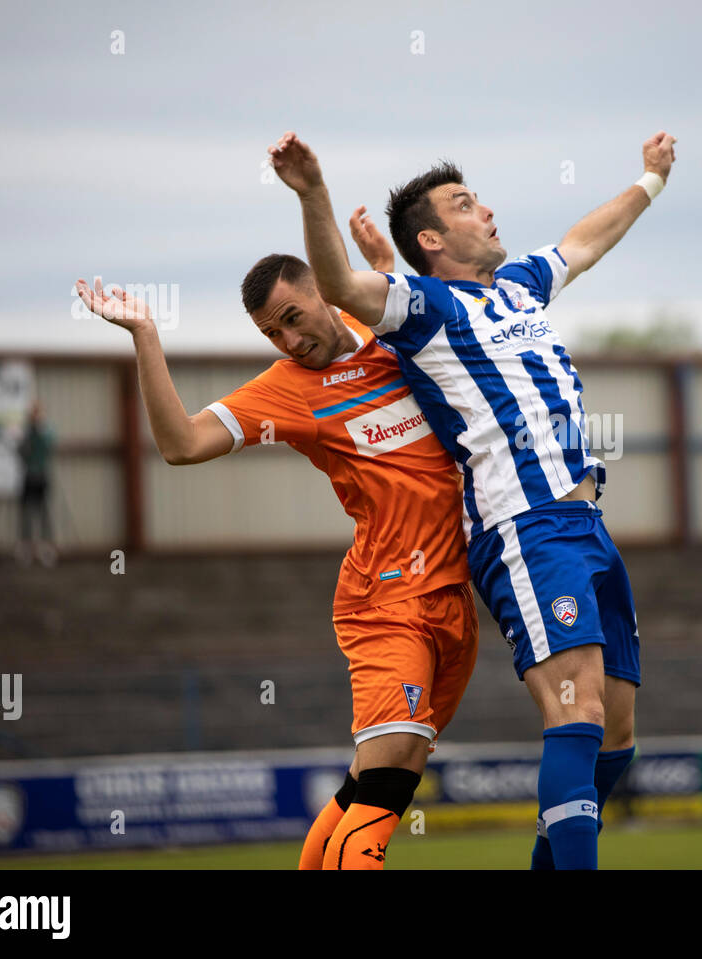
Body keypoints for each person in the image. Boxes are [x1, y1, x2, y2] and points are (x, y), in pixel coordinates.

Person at [268, 128, 677, 869]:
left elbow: (584, 241)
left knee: (617, 734)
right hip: (524, 528)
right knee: (575, 710)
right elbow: (340, 287)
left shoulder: (519, 285)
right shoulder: (424, 308)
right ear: (433, 237)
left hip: (587, 525)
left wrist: (648, 182)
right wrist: (313, 192)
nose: (485, 209)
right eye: (465, 203)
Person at [73, 246, 477, 871]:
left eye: (293, 316)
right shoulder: (289, 390)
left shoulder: (390, 336)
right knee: (393, 766)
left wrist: (380, 255)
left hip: (456, 596)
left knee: (383, 774)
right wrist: (146, 336)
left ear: (324, 292)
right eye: (271, 331)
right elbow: (180, 445)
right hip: (387, 602)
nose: (288, 339)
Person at [17, 404, 57, 566]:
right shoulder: (26, 433)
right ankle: (26, 549)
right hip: (29, 477)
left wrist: (39, 431)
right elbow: (21, 452)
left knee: (43, 514)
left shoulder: (45, 432)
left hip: (41, 477)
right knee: (26, 514)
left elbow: (49, 447)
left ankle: (45, 549)